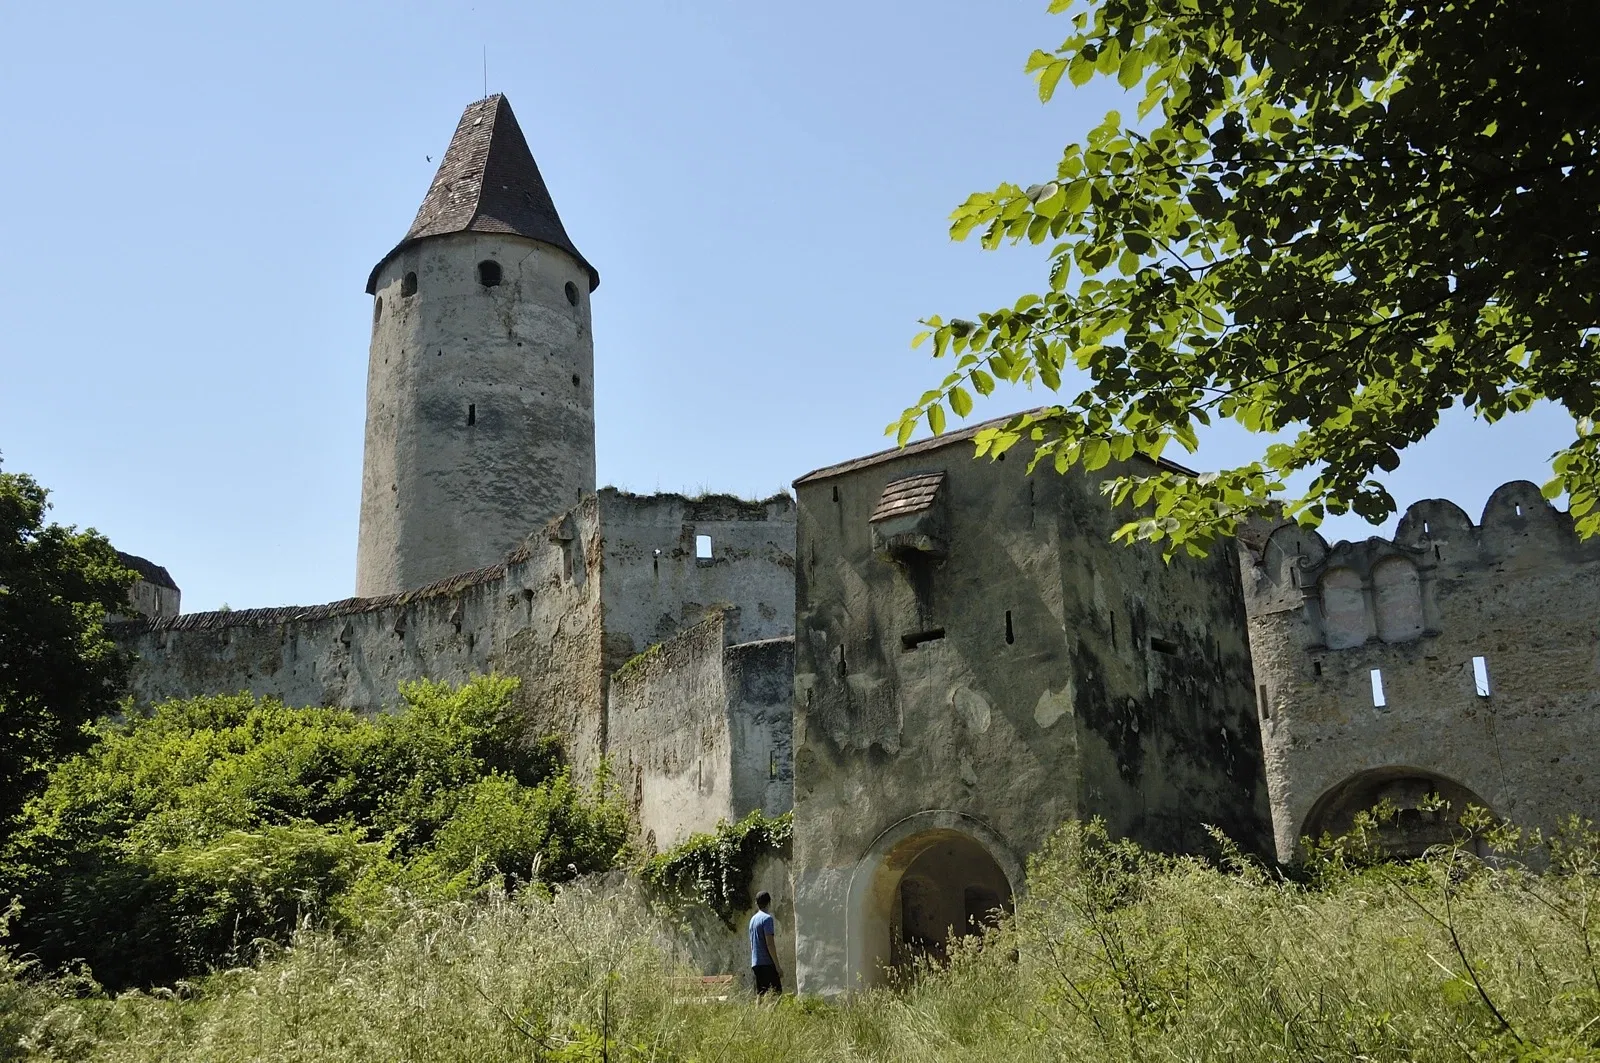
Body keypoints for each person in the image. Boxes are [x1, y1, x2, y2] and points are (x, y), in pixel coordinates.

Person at [748, 890, 782, 996]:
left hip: (756, 962)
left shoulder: (752, 920)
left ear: (756, 904)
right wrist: (777, 966)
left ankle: (759, 1013)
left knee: (760, 994)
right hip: (767, 962)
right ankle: (771, 1012)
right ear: (769, 902)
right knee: (777, 994)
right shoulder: (767, 919)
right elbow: (770, 944)